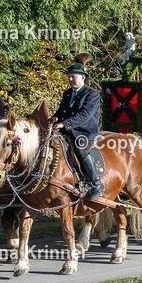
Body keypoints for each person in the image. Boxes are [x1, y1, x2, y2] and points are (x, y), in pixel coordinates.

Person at [52, 55, 104, 198]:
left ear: (83, 78)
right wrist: (54, 118)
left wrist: (64, 123)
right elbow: (61, 111)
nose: (70, 80)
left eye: (73, 77)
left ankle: (96, 183)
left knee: (80, 147)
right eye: (69, 77)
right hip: (67, 130)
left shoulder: (92, 94)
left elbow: (85, 115)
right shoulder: (67, 93)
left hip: (85, 131)